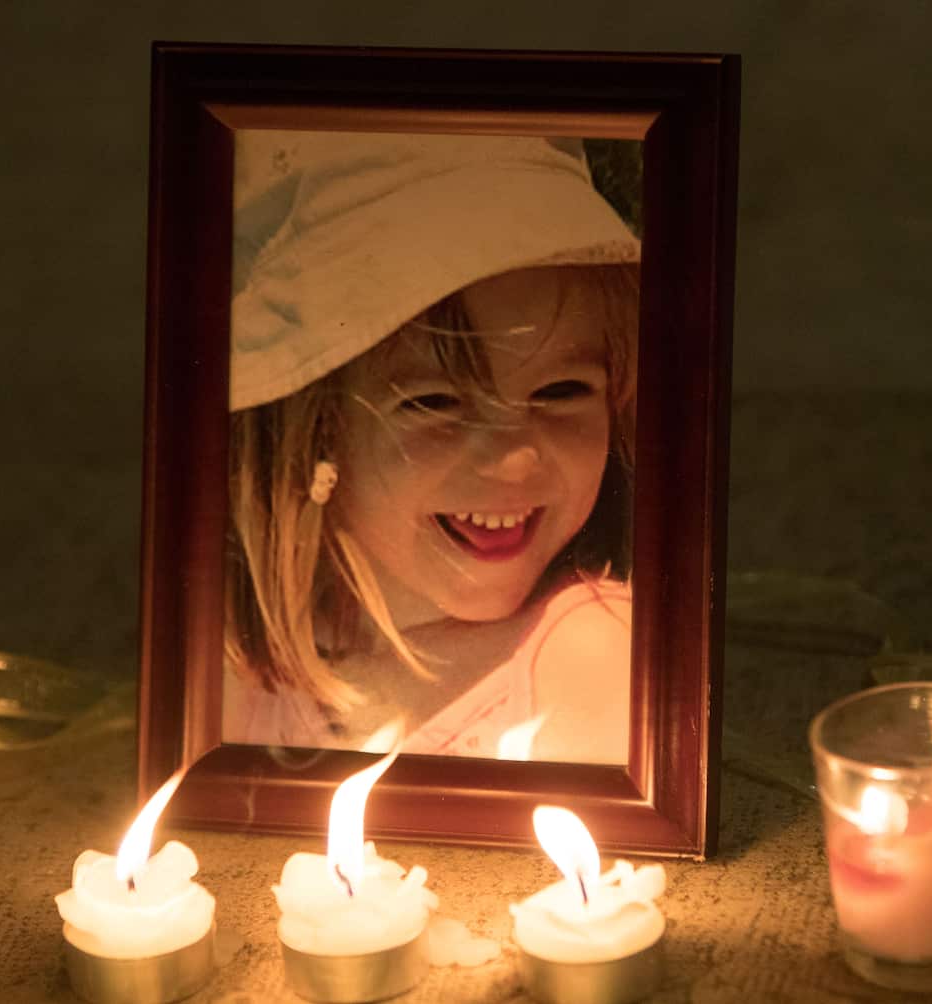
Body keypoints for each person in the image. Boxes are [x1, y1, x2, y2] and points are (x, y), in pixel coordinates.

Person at [221, 130, 639, 764]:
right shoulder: (246, 668)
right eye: (434, 402)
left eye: (560, 391)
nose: (516, 461)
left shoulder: (590, 661)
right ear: (315, 431)